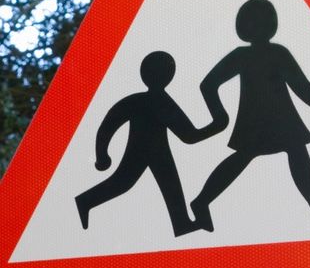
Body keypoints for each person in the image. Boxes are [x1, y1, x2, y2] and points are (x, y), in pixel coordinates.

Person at [190, 0, 310, 231]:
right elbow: (304, 89)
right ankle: (201, 201)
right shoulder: (267, 54)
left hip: (277, 119)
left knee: (292, 153)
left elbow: (302, 88)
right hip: (264, 120)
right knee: (256, 156)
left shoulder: (252, 54)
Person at [75, 50, 212, 236]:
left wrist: (102, 155)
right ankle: (84, 201)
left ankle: (181, 222)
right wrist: (217, 125)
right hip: (145, 151)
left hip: (154, 151)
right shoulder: (161, 101)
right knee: (125, 183)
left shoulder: (135, 100)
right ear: (169, 76)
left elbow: (108, 125)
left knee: (161, 183)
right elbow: (189, 136)